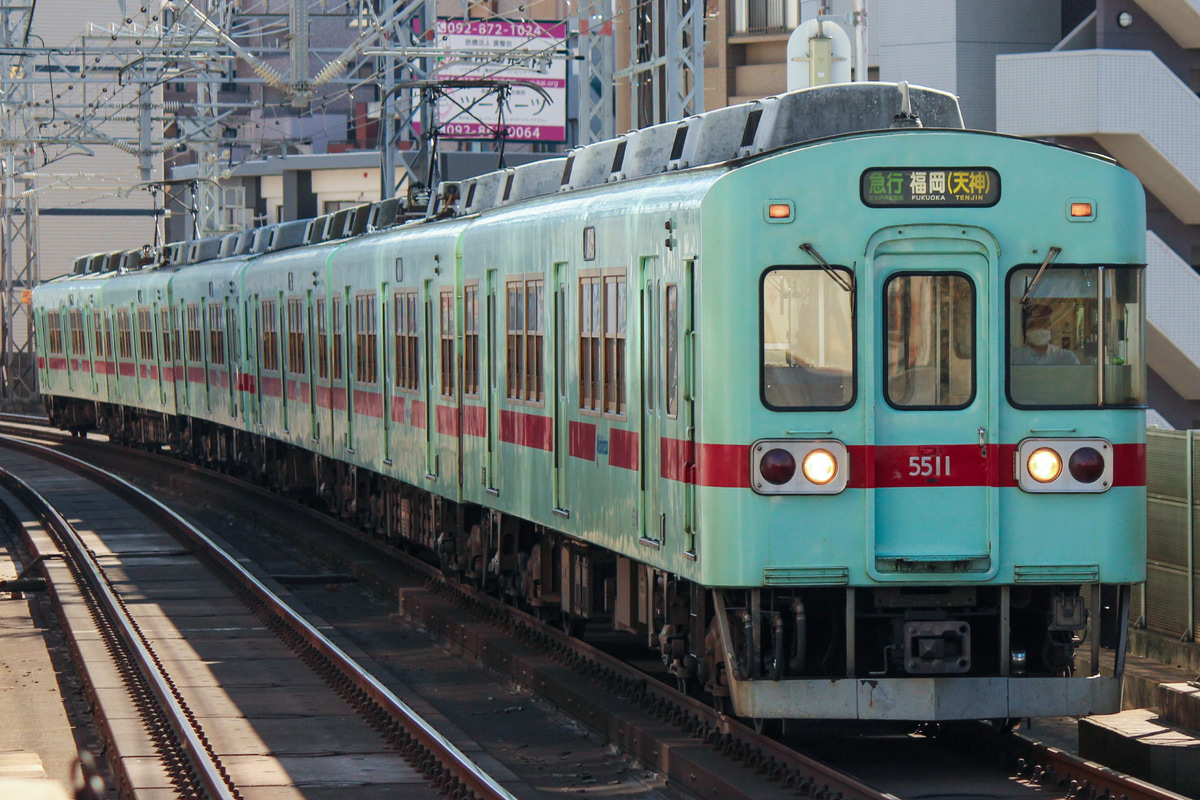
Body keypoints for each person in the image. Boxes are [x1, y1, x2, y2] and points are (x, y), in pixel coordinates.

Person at [1011, 303, 1080, 365]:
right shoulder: (1014, 358)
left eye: (1043, 323)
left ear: (1050, 325)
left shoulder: (1066, 358)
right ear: (1024, 329)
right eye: (1032, 325)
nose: (1038, 328)